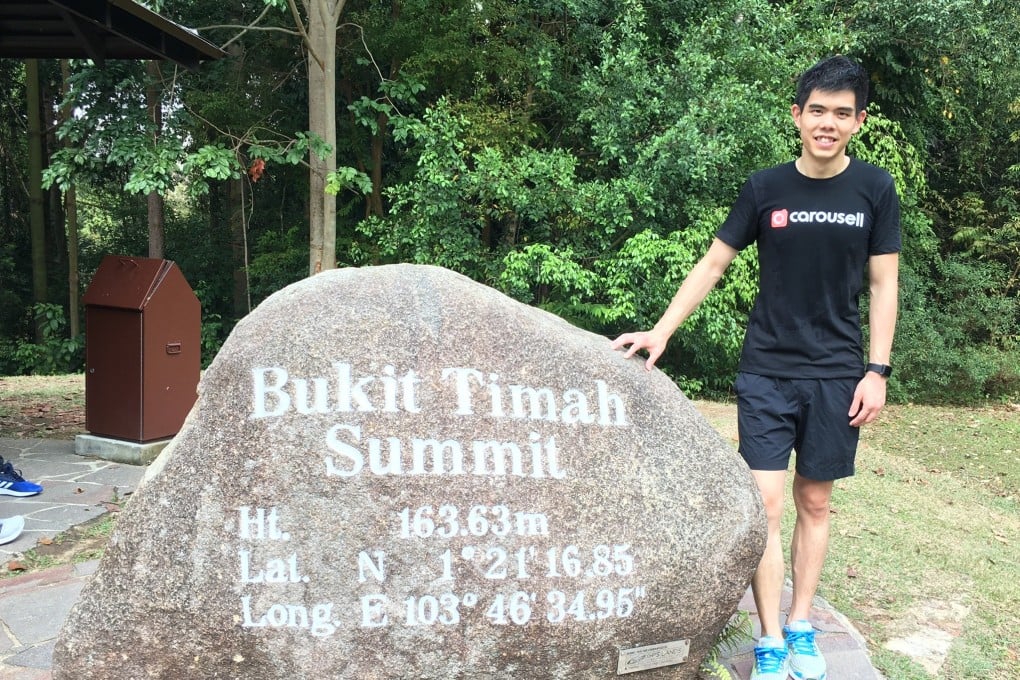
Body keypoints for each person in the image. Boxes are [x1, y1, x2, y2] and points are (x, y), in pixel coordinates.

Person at [611, 55, 900, 680]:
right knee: (765, 505)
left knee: (815, 502)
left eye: (841, 113)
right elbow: (713, 263)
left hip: (837, 374)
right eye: (817, 110)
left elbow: (884, 284)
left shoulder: (874, 189)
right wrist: (662, 330)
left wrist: (876, 370)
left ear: (859, 121)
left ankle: (801, 627)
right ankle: (769, 639)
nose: (827, 123)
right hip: (766, 370)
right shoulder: (765, 188)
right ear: (797, 115)